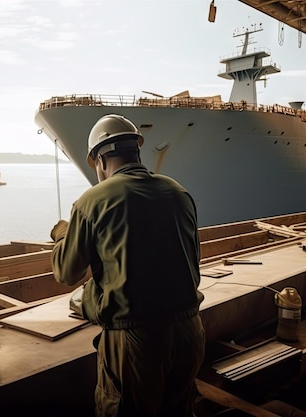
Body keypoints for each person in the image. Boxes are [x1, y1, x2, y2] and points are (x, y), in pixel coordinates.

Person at [49, 114, 206, 417]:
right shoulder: (179, 193)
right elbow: (190, 260)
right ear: (136, 151)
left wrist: (62, 235)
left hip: (138, 342)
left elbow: (66, 272)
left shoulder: (92, 201)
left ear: (100, 160)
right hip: (190, 332)